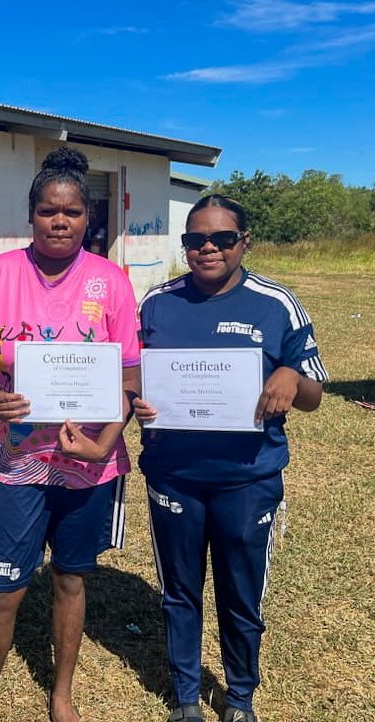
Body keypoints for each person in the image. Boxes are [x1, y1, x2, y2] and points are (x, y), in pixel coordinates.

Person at [0, 147, 141, 722]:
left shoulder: (111, 282)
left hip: (89, 462)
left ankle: (61, 694)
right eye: (48, 211)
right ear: (30, 214)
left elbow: (130, 372)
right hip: (20, 460)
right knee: (4, 589)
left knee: (70, 580)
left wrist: (108, 439)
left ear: (89, 217)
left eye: (73, 212)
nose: (60, 222)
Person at [133, 195, 328, 722]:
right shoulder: (156, 303)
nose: (208, 249)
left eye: (222, 238)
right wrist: (137, 400)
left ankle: (239, 697)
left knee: (241, 595)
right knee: (180, 590)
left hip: (248, 477)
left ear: (245, 242)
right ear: (185, 246)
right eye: (196, 240)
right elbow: (134, 378)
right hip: (174, 475)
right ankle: (185, 697)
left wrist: (291, 376)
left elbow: (313, 395)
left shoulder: (275, 303)